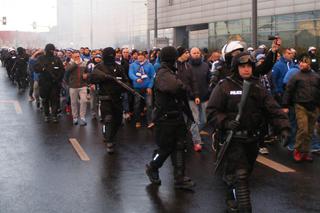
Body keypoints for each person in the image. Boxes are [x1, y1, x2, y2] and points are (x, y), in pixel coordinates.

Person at [206, 51, 290, 212]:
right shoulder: (225, 86)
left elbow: (272, 109)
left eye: (249, 66)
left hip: (252, 140)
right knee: (241, 175)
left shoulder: (257, 87)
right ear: (235, 67)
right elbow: (211, 112)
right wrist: (226, 122)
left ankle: (231, 192)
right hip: (233, 140)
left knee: (241, 174)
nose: (246, 69)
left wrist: (284, 127)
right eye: (242, 66)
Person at [145, 46, 195, 190]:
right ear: (172, 58)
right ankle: (152, 167)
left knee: (180, 146)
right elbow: (176, 87)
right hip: (165, 118)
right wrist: (183, 86)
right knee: (165, 148)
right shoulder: (163, 73)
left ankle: (179, 178)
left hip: (176, 116)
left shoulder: (170, 71)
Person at [87, 47, 129, 153]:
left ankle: (110, 135)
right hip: (105, 98)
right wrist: (105, 78)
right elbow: (91, 79)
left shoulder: (119, 67)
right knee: (108, 119)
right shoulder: (99, 67)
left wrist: (125, 87)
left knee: (118, 121)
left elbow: (126, 80)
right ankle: (109, 141)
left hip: (117, 98)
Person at [282, 54, 320, 162]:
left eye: (305, 62)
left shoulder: (316, 76)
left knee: (310, 131)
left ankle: (306, 152)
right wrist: (285, 105)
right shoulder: (296, 76)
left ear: (309, 64)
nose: (302, 64)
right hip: (300, 105)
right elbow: (288, 91)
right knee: (303, 129)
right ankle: (297, 150)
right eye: (301, 62)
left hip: (314, 106)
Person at [34, 43, 65, 123]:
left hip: (54, 84)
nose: (51, 51)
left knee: (54, 100)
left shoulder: (57, 59)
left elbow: (62, 70)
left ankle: (54, 115)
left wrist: (58, 79)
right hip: (44, 83)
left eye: (52, 50)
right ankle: (46, 115)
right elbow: (36, 68)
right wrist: (42, 69)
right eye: (50, 50)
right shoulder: (41, 59)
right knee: (45, 100)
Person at [65, 51, 88, 126]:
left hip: (83, 85)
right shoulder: (70, 63)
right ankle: (75, 117)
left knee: (84, 101)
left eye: (78, 56)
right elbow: (67, 70)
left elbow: (87, 71)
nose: (77, 58)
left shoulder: (84, 62)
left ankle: (82, 117)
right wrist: (75, 63)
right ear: (72, 57)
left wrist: (86, 75)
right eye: (75, 57)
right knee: (74, 102)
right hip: (73, 86)